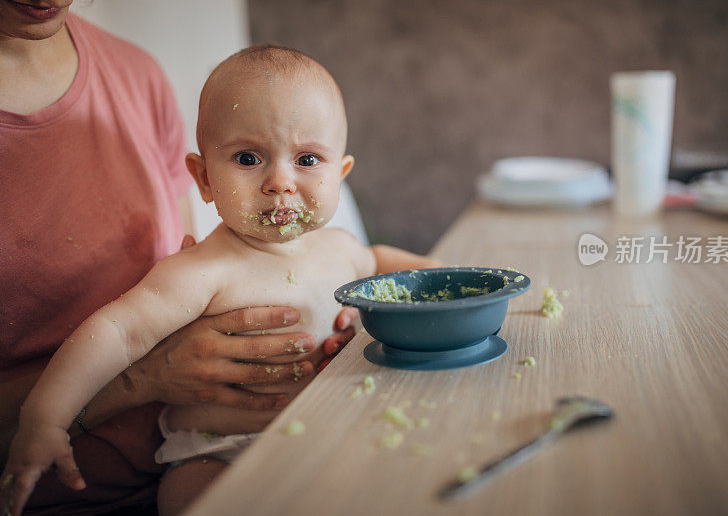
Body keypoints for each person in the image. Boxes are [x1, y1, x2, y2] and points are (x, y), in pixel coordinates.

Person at [2, 45, 443, 516]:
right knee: (189, 498)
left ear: (341, 172)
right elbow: (117, 332)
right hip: (218, 451)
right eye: (249, 158)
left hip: (327, 434)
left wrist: (453, 275)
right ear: (205, 178)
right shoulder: (202, 270)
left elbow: (381, 262)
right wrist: (46, 417)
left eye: (308, 160)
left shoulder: (340, 248)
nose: (281, 181)